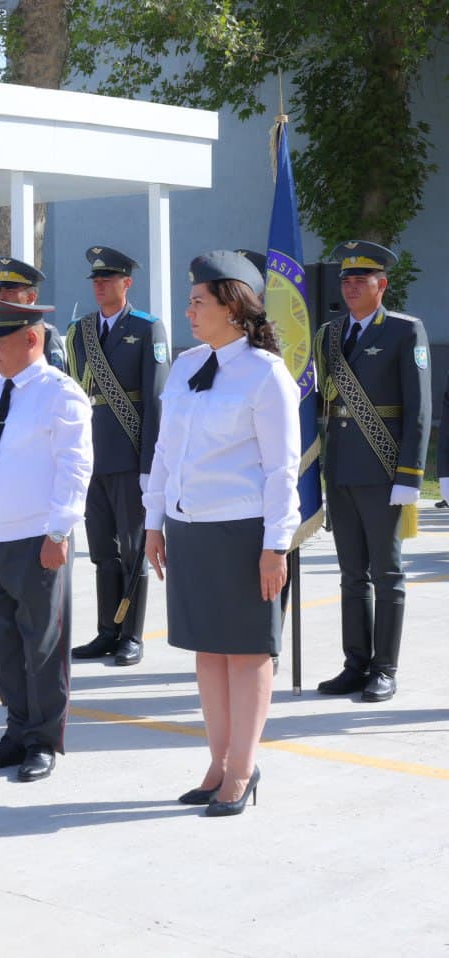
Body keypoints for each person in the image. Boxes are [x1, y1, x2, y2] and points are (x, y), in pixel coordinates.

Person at [144, 251, 301, 816]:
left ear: (233, 307)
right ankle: (217, 761)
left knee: (247, 651)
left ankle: (243, 767)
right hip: (189, 529)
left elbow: (282, 469)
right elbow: (165, 452)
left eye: (198, 302)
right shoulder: (186, 366)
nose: (188, 311)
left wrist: (275, 545)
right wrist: (154, 522)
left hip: (242, 531)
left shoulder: (265, 374)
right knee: (208, 650)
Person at [0, 298, 92, 781]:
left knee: (43, 647)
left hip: (37, 539)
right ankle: (16, 730)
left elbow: (75, 467)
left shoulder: (60, 393)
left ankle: (43, 740)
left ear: (31, 339)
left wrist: (60, 530)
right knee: (5, 645)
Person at [315, 241, 430, 703]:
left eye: (360, 280)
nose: (350, 287)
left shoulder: (404, 330)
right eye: (345, 280)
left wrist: (410, 475)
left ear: (382, 285)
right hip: (340, 469)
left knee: (387, 573)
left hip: (384, 471)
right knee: (351, 575)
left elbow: (418, 410)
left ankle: (384, 669)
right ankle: (355, 664)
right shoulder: (329, 335)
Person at [66, 246, 169, 667]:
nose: (99, 285)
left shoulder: (147, 328)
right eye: (95, 279)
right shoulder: (79, 332)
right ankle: (107, 630)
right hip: (91, 457)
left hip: (128, 457)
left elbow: (156, 401)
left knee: (132, 550)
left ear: (127, 283)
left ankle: (131, 634)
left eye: (107, 279)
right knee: (102, 551)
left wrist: (149, 467)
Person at [0, 257, 66, 373]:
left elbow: (56, 379)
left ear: (31, 297)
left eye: (10, 291)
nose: (1, 297)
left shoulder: (46, 334)